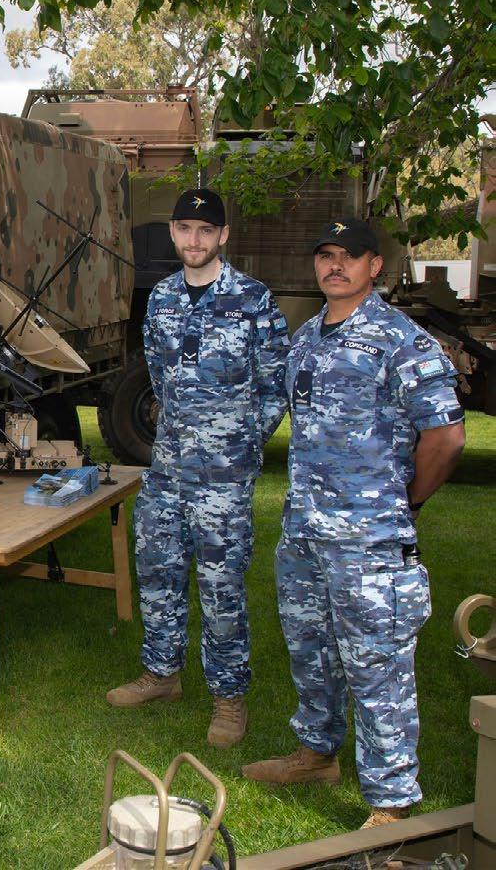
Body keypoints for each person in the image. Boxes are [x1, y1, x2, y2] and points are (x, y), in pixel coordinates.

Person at [242, 217, 465, 829]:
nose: (335, 265)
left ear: (375, 266)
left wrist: (405, 504)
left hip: (369, 541)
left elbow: (446, 438)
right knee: (309, 648)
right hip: (306, 532)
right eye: (326, 255)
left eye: (350, 255)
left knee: (377, 666)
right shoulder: (307, 338)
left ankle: (392, 802)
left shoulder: (402, 341)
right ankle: (317, 754)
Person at [105, 189, 289, 749]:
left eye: (206, 230)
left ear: (223, 236)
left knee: (220, 585)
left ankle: (229, 698)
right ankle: (161, 674)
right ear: (172, 232)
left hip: (223, 478)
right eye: (185, 228)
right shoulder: (161, 299)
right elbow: (158, 375)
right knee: (157, 570)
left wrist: (241, 442)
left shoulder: (253, 300)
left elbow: (276, 384)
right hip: (166, 470)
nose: (194, 239)